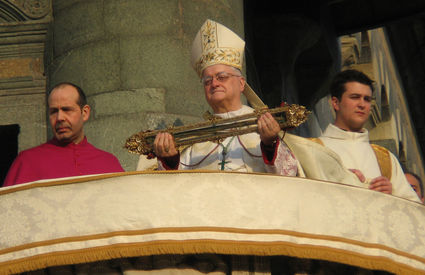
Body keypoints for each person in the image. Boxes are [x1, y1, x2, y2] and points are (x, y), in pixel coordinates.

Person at [149, 19, 298, 176]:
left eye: (222, 76)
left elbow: (289, 175)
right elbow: (178, 187)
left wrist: (269, 144)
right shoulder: (196, 138)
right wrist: (170, 159)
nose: (214, 83)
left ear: (241, 84)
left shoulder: (265, 125)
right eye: (207, 80)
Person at [315, 69, 420, 202]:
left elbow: (415, 209)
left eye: (367, 99)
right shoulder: (315, 148)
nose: (362, 104)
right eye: (355, 97)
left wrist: (393, 194)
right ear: (335, 103)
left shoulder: (385, 158)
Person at [3, 82, 124, 187]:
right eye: (54, 111)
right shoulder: (27, 161)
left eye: (67, 110)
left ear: (85, 113)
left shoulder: (109, 162)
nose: (60, 118)